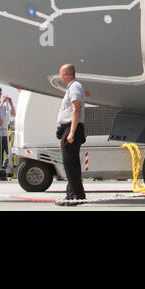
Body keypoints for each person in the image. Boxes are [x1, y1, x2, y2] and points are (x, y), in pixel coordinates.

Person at [55, 63, 86, 204]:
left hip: (72, 127)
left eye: (61, 73)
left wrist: (71, 132)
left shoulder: (75, 87)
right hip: (67, 129)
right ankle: (72, 194)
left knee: (71, 164)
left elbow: (76, 108)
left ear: (66, 74)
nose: (60, 76)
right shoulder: (71, 88)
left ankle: (76, 195)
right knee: (69, 164)